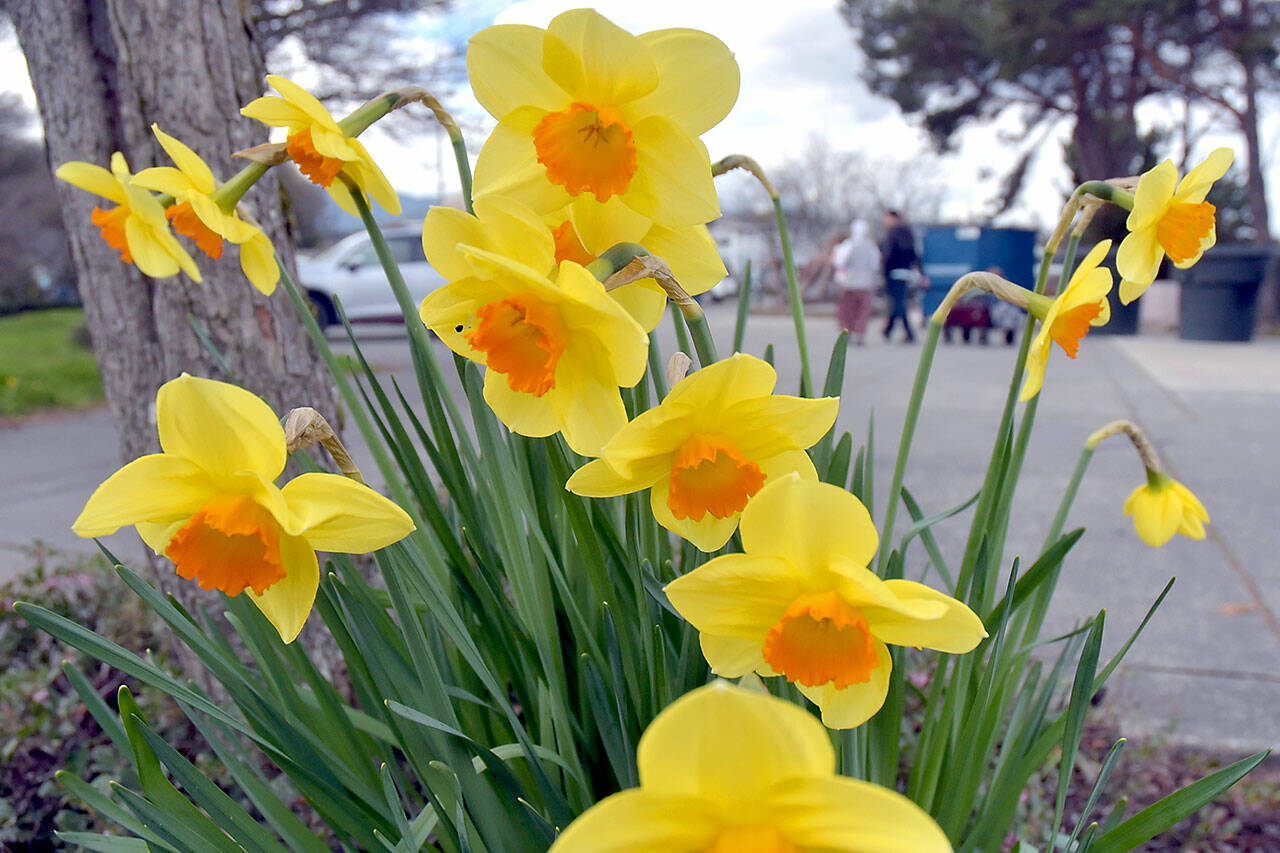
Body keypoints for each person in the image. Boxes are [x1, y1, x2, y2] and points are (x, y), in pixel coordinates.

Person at [832, 219, 880, 345]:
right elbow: (875, 265)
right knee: (862, 311)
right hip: (865, 284)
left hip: (849, 283)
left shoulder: (848, 245)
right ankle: (859, 334)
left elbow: (840, 262)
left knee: (848, 310)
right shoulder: (871, 246)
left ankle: (848, 333)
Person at [880, 210, 920, 343]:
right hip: (905, 272)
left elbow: (889, 254)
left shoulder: (893, 232)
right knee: (898, 302)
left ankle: (906, 332)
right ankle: (889, 330)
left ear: (892, 218)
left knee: (898, 304)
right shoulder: (908, 232)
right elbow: (914, 253)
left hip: (894, 272)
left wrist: (884, 270)